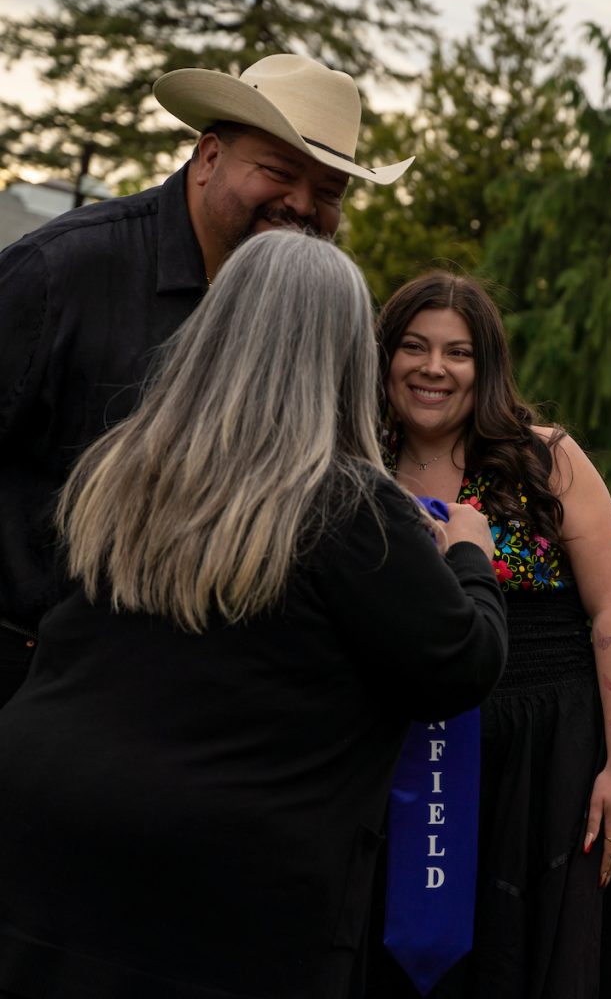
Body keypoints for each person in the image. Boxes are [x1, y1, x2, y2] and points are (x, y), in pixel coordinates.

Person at [0, 232, 506, 999]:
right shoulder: (349, 508)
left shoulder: (125, 467)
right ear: (345, 360)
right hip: (218, 891)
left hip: (37, 832)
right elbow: (458, 663)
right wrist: (470, 555)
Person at [0, 52, 414, 700]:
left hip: (170, 709)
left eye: (330, 193)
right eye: (278, 171)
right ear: (208, 156)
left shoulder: (311, 330)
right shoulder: (61, 274)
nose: (302, 206)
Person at [365, 271, 611, 998]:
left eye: (457, 352)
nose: (433, 368)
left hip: (544, 759)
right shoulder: (354, 458)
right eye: (413, 346)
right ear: (383, 357)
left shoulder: (542, 458)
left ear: (485, 365)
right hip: (393, 755)